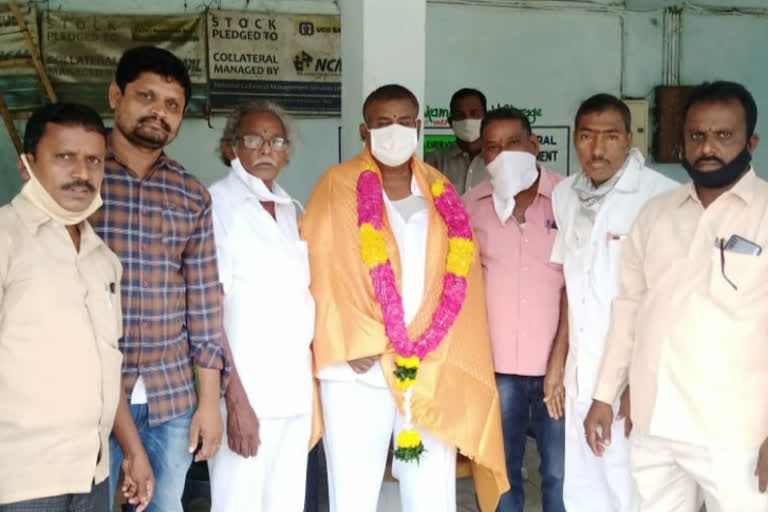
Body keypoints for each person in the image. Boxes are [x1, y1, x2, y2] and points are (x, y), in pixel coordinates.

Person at [300, 84, 508, 512]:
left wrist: (439, 342)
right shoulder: (335, 187)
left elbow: (460, 278)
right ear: (364, 130)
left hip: (428, 366)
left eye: (402, 122)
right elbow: (318, 269)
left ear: (417, 127)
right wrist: (348, 339)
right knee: (353, 493)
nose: (393, 131)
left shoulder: (440, 191)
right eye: (382, 123)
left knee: (431, 494)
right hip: (359, 367)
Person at [585, 81, 768, 511]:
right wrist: (604, 395)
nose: (708, 147)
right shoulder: (656, 215)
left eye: (724, 136)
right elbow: (629, 310)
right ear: (682, 141)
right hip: (656, 425)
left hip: (737, 433)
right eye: (697, 135)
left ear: (751, 142)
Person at [88, 46, 252, 512]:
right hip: (90, 397)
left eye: (172, 105)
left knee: (164, 506)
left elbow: (203, 305)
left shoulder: (190, 194)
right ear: (116, 95)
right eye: (146, 96)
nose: (158, 112)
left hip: (171, 401)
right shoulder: (80, 177)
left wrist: (207, 404)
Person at [0, 103, 153, 511]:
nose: (82, 173)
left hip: (92, 473)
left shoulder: (102, 258)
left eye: (93, 161)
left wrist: (134, 451)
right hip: (21, 480)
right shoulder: (7, 239)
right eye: (64, 158)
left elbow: (107, 364)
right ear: (26, 165)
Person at [547, 93, 676, 511]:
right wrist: (557, 363)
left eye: (609, 136)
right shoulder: (565, 195)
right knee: (584, 489)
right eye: (586, 136)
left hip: (633, 382)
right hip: (582, 374)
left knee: (634, 490)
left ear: (629, 138)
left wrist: (639, 381)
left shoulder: (662, 198)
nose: (597, 148)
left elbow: (668, 301)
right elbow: (572, 286)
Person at [207, 101, 316, 511]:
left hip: (292, 393)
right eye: (254, 139)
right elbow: (209, 312)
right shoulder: (219, 206)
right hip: (247, 395)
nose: (267, 149)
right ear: (232, 148)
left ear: (287, 152)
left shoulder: (288, 208)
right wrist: (235, 402)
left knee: (286, 503)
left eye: (276, 140)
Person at [464, 107, 566, 512]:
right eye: (492, 147)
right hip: (496, 368)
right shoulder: (469, 207)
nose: (502, 154)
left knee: (558, 473)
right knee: (500, 475)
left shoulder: (568, 200)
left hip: (556, 369)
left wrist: (561, 361)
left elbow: (577, 288)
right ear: (482, 155)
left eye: (513, 143)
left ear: (534, 144)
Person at [425, 88, 488, 193]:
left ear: (486, 118)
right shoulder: (434, 161)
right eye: (460, 115)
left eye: (474, 113)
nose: (467, 120)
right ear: (450, 122)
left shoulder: (498, 159)